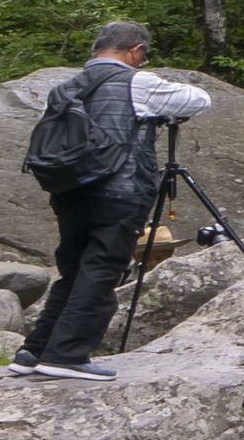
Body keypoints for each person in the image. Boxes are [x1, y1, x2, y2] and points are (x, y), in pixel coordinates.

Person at [18, 20, 210, 373]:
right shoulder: (137, 82)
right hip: (119, 191)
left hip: (70, 190)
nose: (142, 62)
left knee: (74, 269)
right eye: (143, 56)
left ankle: (34, 351)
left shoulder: (64, 88)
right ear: (135, 51)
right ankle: (67, 356)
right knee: (102, 269)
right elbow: (199, 100)